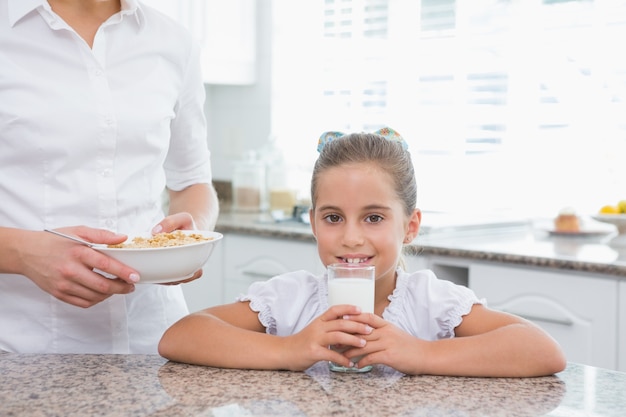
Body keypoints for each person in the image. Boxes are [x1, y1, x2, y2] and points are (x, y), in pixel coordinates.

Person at [158, 129, 566, 377]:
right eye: (334, 218)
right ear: (314, 222)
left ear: (410, 226)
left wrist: (422, 353)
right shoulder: (291, 298)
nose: (351, 238)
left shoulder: (430, 301)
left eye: (373, 218)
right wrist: (287, 349)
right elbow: (180, 336)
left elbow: (542, 350)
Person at [0, 0, 219, 354]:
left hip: (156, 341)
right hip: (23, 347)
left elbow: (193, 182)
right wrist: (22, 253)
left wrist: (190, 238)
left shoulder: (173, 42)